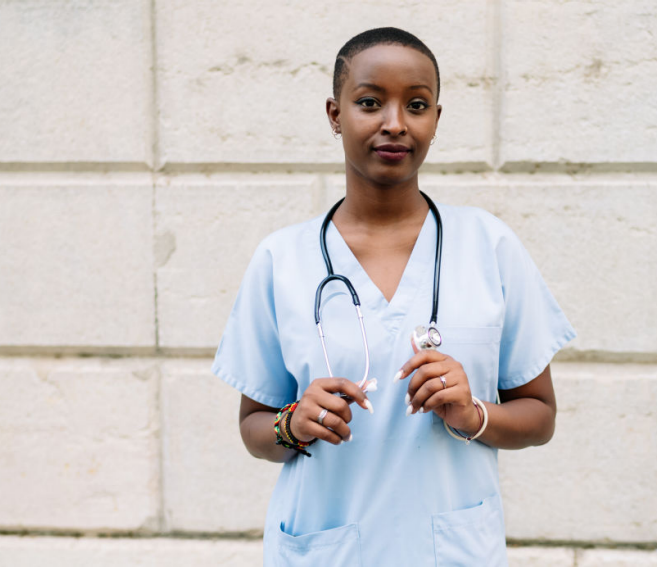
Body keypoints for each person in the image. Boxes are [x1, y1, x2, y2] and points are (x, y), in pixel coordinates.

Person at [212, 27, 576, 566]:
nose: (395, 123)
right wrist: (293, 423)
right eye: (369, 102)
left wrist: (472, 413)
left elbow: (539, 416)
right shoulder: (281, 260)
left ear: (435, 120)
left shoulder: (489, 246)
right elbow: (253, 428)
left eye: (417, 105)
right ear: (335, 115)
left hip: (449, 552)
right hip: (329, 549)